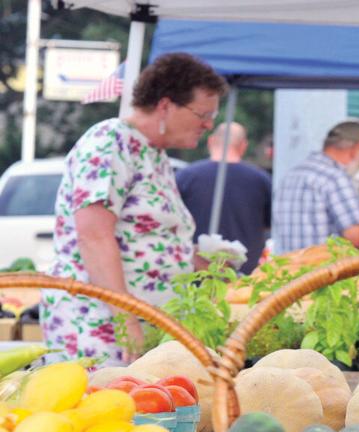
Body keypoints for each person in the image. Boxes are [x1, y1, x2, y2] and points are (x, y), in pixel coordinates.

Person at [47, 52, 226, 365]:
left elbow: (148, 238)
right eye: (202, 114)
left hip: (142, 322)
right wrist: (125, 318)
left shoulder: (153, 153)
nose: (209, 124)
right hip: (100, 325)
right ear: (166, 105)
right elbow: (94, 236)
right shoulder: (110, 141)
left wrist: (209, 266)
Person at [175, 121, 273, 273]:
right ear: (243, 146)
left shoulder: (185, 177)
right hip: (244, 277)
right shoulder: (261, 179)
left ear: (211, 141)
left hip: (195, 273)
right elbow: (269, 224)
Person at [272, 121, 359, 252]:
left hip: (288, 268)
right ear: (356, 149)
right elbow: (357, 238)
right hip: (324, 269)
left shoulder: (290, 176)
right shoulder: (335, 178)